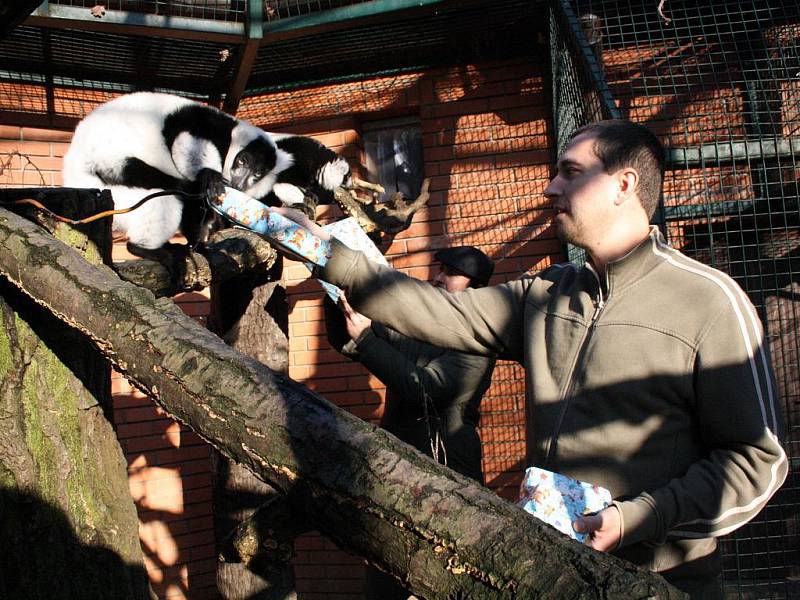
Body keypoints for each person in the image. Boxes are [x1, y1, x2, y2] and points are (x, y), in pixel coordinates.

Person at [283, 119, 788, 598]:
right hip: (556, 571)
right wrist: (325, 251)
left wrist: (636, 518)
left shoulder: (709, 301)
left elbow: (756, 462)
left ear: (624, 184)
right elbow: (439, 311)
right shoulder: (547, 293)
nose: (549, 188)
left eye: (570, 172)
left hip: (661, 580)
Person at [324, 246, 496, 600]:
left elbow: (426, 390)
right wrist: (338, 294)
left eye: (449, 272)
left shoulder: (478, 343)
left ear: (474, 287)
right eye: (440, 269)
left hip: (447, 471)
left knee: (441, 572)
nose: (437, 277)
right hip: (400, 468)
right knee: (387, 569)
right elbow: (353, 340)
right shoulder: (426, 326)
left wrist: (367, 339)